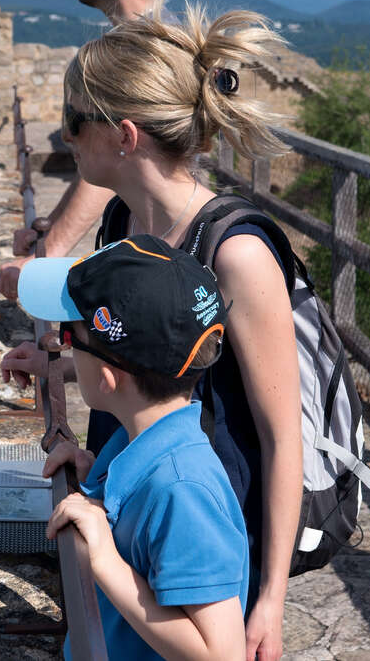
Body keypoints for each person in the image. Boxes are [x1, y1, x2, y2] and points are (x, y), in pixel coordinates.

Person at [1, 7, 301, 661]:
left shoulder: (236, 255)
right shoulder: (122, 221)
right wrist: (61, 356)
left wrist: (271, 599)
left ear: (125, 136)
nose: (66, 138)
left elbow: (282, 436)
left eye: (77, 121)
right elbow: (127, 346)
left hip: (197, 548)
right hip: (130, 507)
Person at [18, 233, 246, 661]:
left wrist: (105, 560)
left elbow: (222, 653)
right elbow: (144, 535)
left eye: (68, 335)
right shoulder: (141, 439)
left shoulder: (182, 487)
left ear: (107, 378)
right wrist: (92, 475)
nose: (62, 345)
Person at [0, 0, 165, 305]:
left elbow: (121, 156)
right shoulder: (152, 38)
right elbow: (100, 161)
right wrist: (48, 229)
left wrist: (46, 258)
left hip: (157, 267)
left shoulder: (141, 53)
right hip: (149, 255)